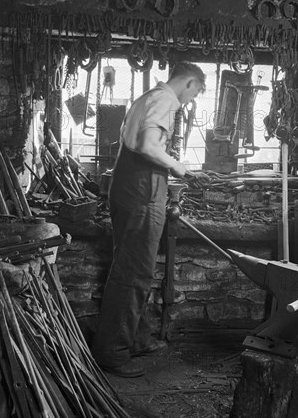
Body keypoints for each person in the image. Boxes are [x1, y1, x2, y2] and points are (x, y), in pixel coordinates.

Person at [92, 62, 207, 378]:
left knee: (132, 266)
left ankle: (137, 339)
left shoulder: (149, 96)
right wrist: (178, 166)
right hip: (141, 189)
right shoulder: (166, 99)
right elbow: (147, 146)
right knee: (134, 271)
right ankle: (112, 353)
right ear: (189, 82)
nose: (193, 98)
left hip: (130, 185)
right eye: (197, 91)